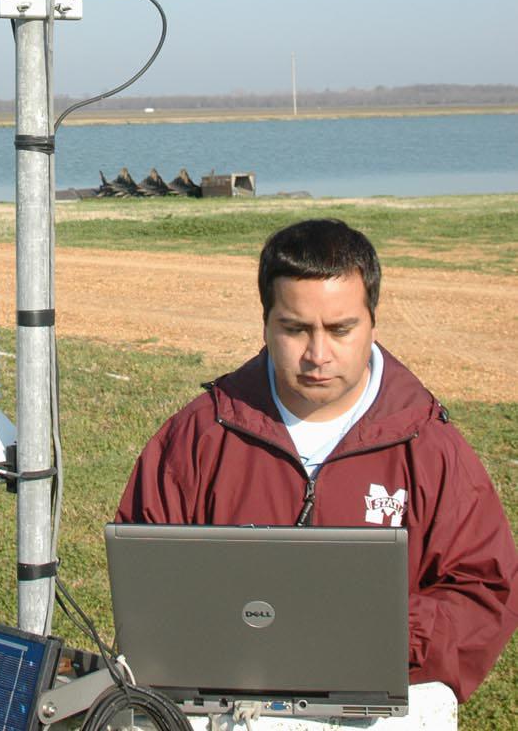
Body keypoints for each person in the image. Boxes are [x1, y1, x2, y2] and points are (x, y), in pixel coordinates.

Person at [116, 218, 518, 704]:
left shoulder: (428, 443)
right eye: (296, 329)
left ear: (373, 320)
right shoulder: (199, 434)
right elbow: (146, 580)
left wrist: (385, 633)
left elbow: (484, 588)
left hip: (375, 707)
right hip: (227, 706)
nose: (318, 354)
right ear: (265, 322)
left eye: (341, 329)